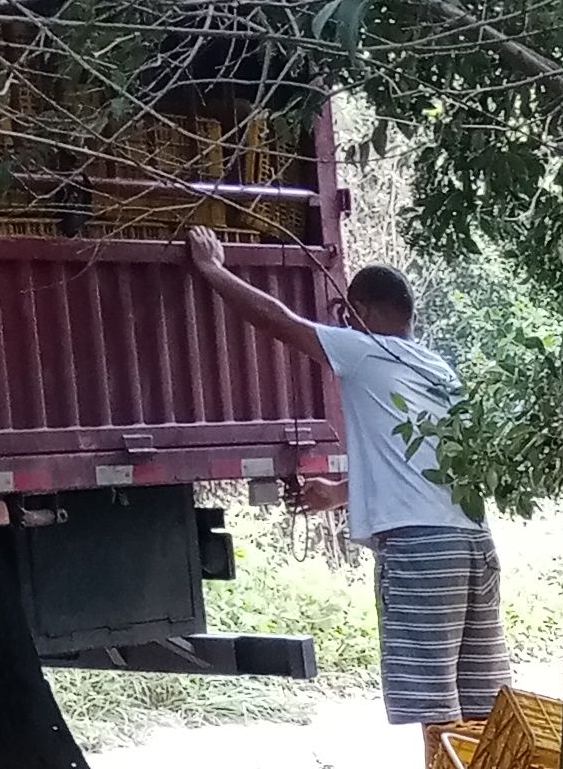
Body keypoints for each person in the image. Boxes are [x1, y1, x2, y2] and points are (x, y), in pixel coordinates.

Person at [185, 230, 504, 741]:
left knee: (434, 704)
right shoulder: (438, 369)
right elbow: (421, 461)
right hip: (472, 543)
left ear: (360, 311)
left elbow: (280, 321)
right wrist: (337, 493)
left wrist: (214, 271)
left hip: (419, 550)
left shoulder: (363, 350)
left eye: (346, 314)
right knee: (479, 701)